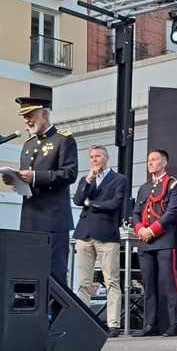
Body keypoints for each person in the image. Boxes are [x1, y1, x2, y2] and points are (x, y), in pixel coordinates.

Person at [4, 97, 78, 285]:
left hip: (53, 219)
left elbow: (69, 174)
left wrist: (35, 177)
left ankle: (53, 314)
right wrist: (15, 180)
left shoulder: (64, 140)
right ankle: (33, 314)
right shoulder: (28, 145)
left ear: (44, 113)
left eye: (31, 115)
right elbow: (27, 181)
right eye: (25, 117)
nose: (27, 120)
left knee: (54, 274)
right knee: (29, 272)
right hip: (30, 219)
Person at [72, 145, 128, 338]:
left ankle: (113, 324)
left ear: (106, 158)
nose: (94, 160)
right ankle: (83, 321)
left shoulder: (119, 179)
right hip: (84, 235)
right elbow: (78, 200)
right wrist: (88, 179)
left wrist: (92, 204)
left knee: (111, 281)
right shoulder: (86, 179)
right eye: (91, 157)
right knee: (83, 282)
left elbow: (115, 204)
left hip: (106, 235)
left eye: (97, 156)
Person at [132, 149, 177, 337]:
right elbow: (135, 213)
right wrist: (140, 229)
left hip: (164, 240)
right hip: (145, 243)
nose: (150, 163)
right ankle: (150, 324)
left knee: (169, 283)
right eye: (148, 160)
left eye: (154, 160)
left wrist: (151, 231)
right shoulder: (144, 188)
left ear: (164, 163)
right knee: (148, 285)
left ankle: (174, 323)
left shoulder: (174, 186)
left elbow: (172, 213)